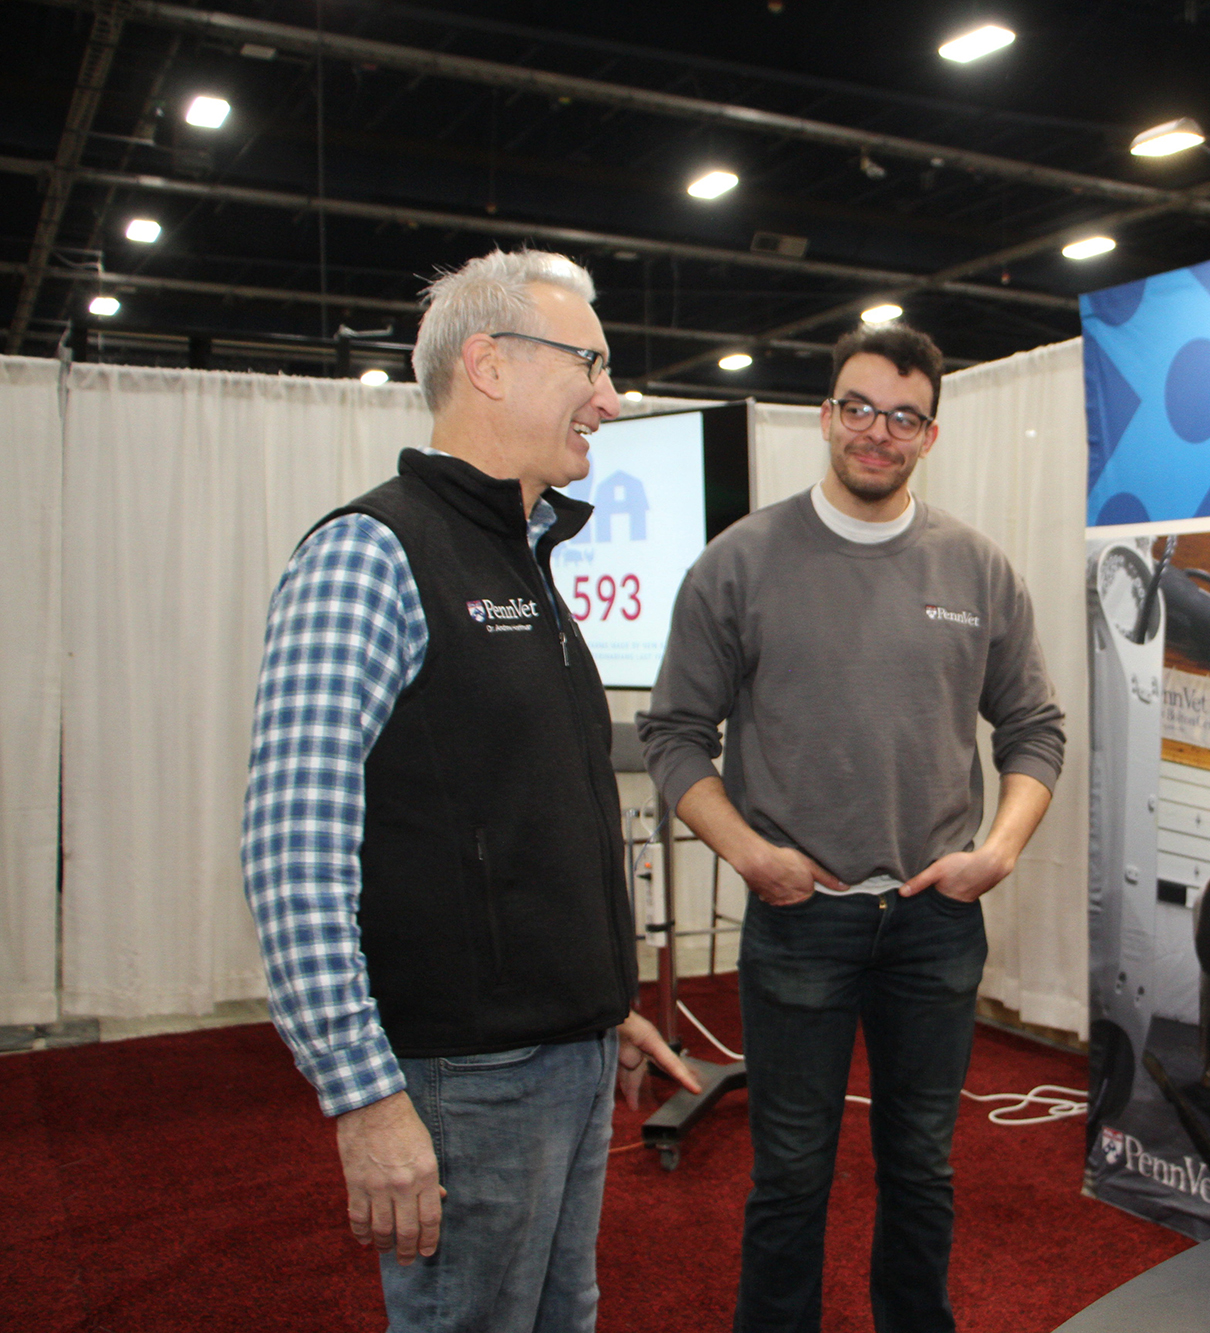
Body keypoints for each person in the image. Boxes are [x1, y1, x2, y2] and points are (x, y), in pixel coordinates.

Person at [242, 247, 698, 1332]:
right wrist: (363, 1094)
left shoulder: (523, 559)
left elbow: (524, 816)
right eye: (589, 362)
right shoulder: (371, 554)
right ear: (488, 364)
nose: (612, 397)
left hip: (566, 1056)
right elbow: (289, 852)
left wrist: (599, 1005)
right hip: (468, 1076)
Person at [638, 320, 1065, 1333]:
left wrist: (997, 850)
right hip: (799, 921)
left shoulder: (976, 567)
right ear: (826, 416)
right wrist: (751, 856)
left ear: (930, 433)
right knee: (789, 1174)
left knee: (921, 1165)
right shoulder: (739, 561)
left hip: (933, 922)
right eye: (858, 408)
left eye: (903, 416)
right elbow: (673, 737)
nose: (877, 432)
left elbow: (1034, 728)